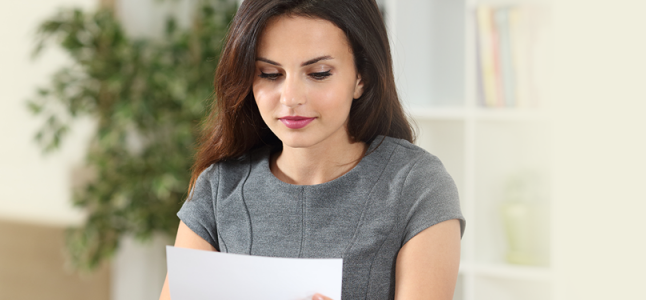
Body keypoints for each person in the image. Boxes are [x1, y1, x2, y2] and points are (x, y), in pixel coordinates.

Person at [158, 0, 464, 299]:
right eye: (270, 74)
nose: (291, 97)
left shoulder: (417, 185)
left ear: (362, 77)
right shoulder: (219, 186)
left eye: (318, 73)